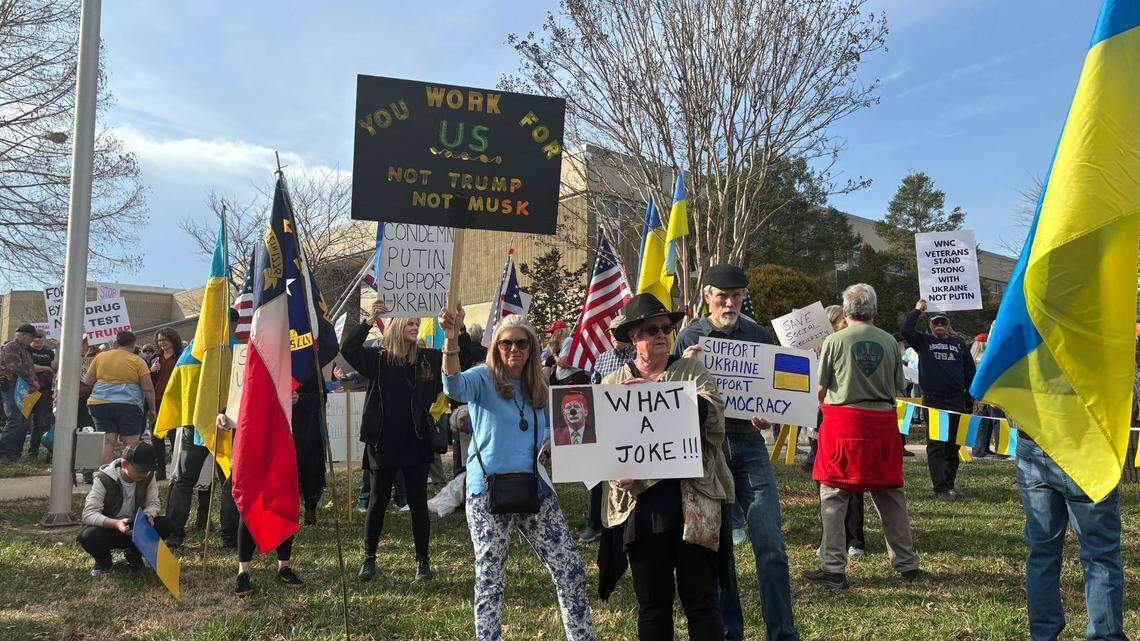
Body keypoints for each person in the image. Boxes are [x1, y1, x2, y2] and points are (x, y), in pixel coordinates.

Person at [439, 306, 595, 641]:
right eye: (506, 343)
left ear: (532, 348)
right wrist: (451, 341)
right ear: (495, 346)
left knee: (570, 569)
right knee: (490, 580)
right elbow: (452, 385)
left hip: (534, 488)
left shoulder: (539, 386)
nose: (513, 349)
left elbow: (572, 429)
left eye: (522, 344)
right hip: (487, 492)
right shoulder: (482, 377)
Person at [675, 265, 799, 641]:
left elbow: (777, 391)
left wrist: (770, 414)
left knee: (770, 542)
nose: (729, 303)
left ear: (744, 297)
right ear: (707, 296)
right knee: (719, 546)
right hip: (707, 450)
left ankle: (782, 633)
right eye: (722, 296)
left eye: (737, 296)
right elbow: (671, 401)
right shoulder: (688, 337)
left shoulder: (759, 335)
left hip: (748, 444)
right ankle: (730, 631)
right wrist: (686, 370)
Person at [601, 293, 734, 641]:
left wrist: (657, 390)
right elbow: (599, 444)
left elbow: (711, 415)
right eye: (651, 329)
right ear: (633, 337)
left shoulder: (692, 370)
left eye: (666, 328)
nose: (662, 334)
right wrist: (612, 470)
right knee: (653, 603)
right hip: (641, 508)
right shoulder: (612, 384)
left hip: (693, 501)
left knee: (701, 601)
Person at [803, 283, 920, 589]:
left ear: (845, 311)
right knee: (891, 494)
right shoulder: (890, 342)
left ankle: (833, 567)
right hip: (881, 421)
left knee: (833, 493)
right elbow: (899, 387)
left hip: (843, 421)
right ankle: (907, 565)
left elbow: (820, 388)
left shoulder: (833, 341)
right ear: (875, 311)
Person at [341, 301, 442, 582]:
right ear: (398, 326)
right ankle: (369, 558)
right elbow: (348, 349)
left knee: (419, 503)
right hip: (383, 443)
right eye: (409, 323)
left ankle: (423, 560)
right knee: (378, 500)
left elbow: (461, 359)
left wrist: (454, 328)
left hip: (416, 442)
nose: (415, 327)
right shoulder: (378, 359)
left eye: (416, 323)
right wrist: (369, 319)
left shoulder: (426, 359)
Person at [1017, 422, 1128, 637]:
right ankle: (1105, 636)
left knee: (1042, 553)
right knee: (1100, 554)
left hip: (1034, 442)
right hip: (1085, 446)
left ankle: (1043, 636)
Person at [901, 300, 977, 501]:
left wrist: (974, 396)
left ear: (949, 325)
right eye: (936, 322)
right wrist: (917, 310)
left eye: (944, 321)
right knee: (937, 444)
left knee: (954, 443)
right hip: (934, 401)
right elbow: (906, 330)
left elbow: (970, 371)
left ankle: (950, 485)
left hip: (958, 400)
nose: (940, 325)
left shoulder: (959, 343)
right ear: (930, 326)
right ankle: (940, 488)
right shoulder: (923, 341)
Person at [577, 316, 635, 544]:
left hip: (633, 427)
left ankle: (628, 523)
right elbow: (593, 391)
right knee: (598, 475)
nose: (612, 336)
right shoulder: (602, 360)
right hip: (606, 424)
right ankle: (595, 523)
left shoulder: (638, 358)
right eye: (610, 332)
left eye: (617, 331)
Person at [77, 441, 171, 577]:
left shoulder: (148, 477)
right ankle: (104, 561)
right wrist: (116, 524)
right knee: (88, 536)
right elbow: (88, 514)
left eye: (147, 469)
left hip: (136, 528)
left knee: (165, 524)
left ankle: (134, 555)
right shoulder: (104, 479)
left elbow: (153, 503)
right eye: (140, 470)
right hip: (110, 529)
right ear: (124, 464)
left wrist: (149, 515)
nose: (144, 474)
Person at [83, 331, 156, 467]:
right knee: (131, 443)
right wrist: (152, 410)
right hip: (128, 404)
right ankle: (127, 477)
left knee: (107, 442)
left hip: (99, 403)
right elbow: (148, 388)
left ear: (117, 342)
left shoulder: (101, 357)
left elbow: (88, 381)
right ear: (134, 344)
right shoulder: (137, 361)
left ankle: (105, 477)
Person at [0, 324, 41, 462]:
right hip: (11, 387)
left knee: (22, 422)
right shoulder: (11, 346)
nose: (32, 340)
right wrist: (31, 381)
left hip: (22, 389)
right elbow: (14, 367)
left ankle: (12, 454)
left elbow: (29, 368)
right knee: (14, 420)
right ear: (22, 334)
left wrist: (34, 381)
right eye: (31, 337)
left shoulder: (23, 350)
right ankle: (2, 452)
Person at [148, 327, 183, 480]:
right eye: (159, 340)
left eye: (164, 340)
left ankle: (176, 468)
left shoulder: (180, 356)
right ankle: (159, 469)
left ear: (172, 340)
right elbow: (147, 379)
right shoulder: (156, 357)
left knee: (174, 435)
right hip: (156, 399)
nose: (161, 343)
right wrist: (151, 370)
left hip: (175, 400)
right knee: (156, 436)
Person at [26, 330, 57, 460]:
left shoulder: (49, 352)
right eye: (35, 337)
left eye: (41, 337)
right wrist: (46, 368)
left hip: (45, 391)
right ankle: (26, 452)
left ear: (44, 338)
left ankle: (37, 453)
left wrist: (58, 348)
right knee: (22, 422)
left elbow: (55, 367)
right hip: (28, 389)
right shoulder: (27, 350)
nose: (38, 340)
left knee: (41, 422)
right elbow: (29, 366)